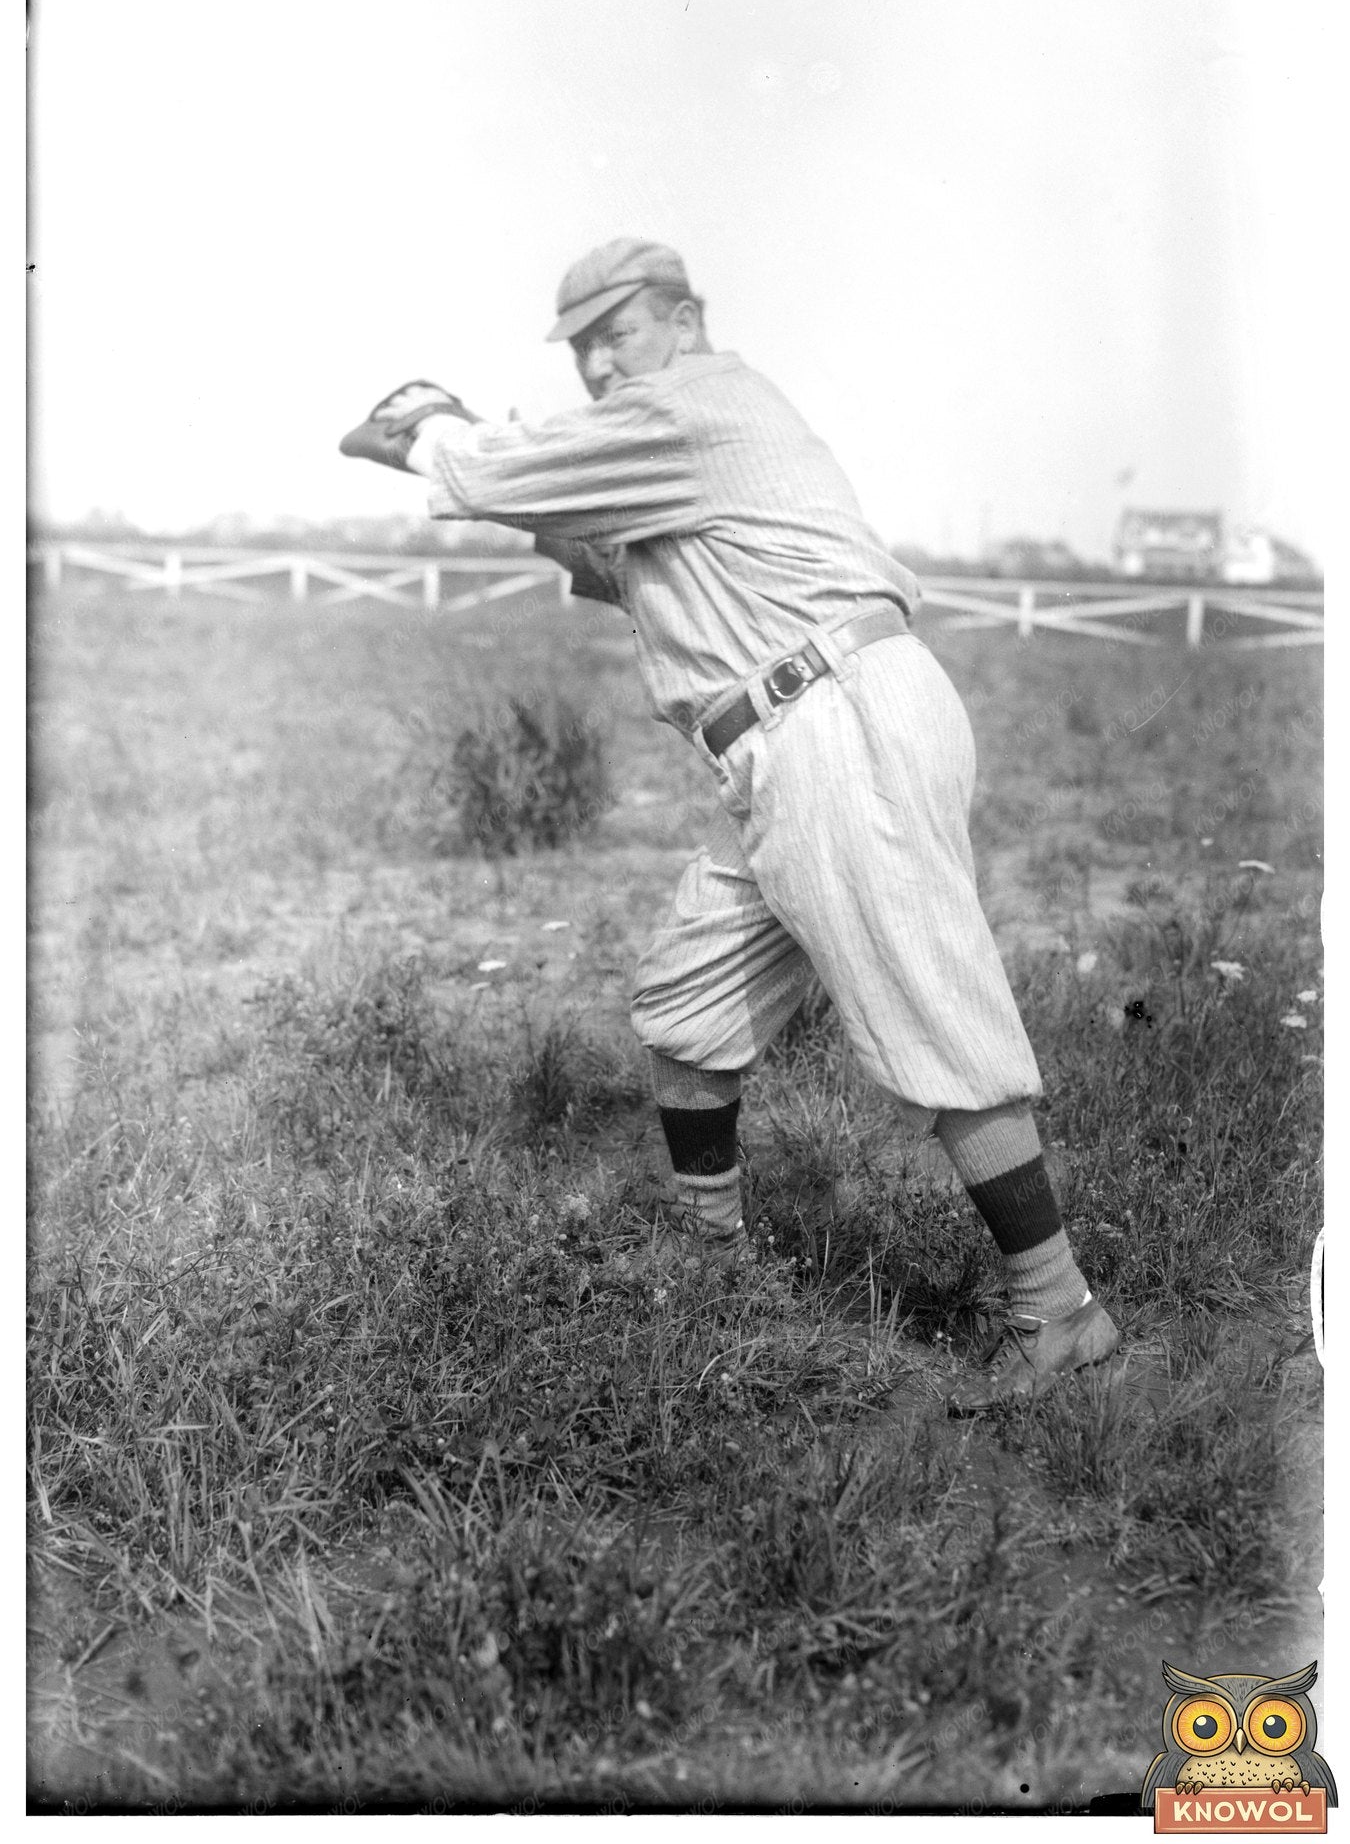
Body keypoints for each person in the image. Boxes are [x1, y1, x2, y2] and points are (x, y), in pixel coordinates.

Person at [338, 236, 1120, 1410]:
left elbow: (498, 474)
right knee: (686, 999)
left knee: (928, 1006)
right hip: (783, 739)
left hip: (835, 717)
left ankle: (1058, 1307)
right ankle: (711, 1267)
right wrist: (495, 474)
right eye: (585, 344)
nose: (603, 360)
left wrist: (429, 427)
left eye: (621, 330)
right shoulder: (671, 444)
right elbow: (600, 552)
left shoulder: (696, 402)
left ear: (685, 319)